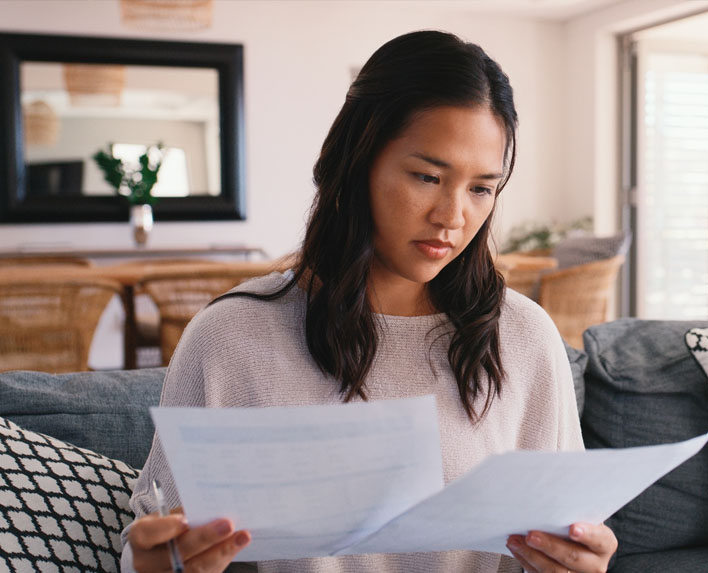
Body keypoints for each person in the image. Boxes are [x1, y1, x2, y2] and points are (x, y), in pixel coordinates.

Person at [121, 30, 618, 573]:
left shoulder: (522, 335)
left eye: (481, 188)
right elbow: (156, 537)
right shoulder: (231, 338)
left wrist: (576, 562)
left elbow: (557, 535)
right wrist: (156, 561)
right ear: (355, 163)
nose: (453, 217)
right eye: (427, 176)